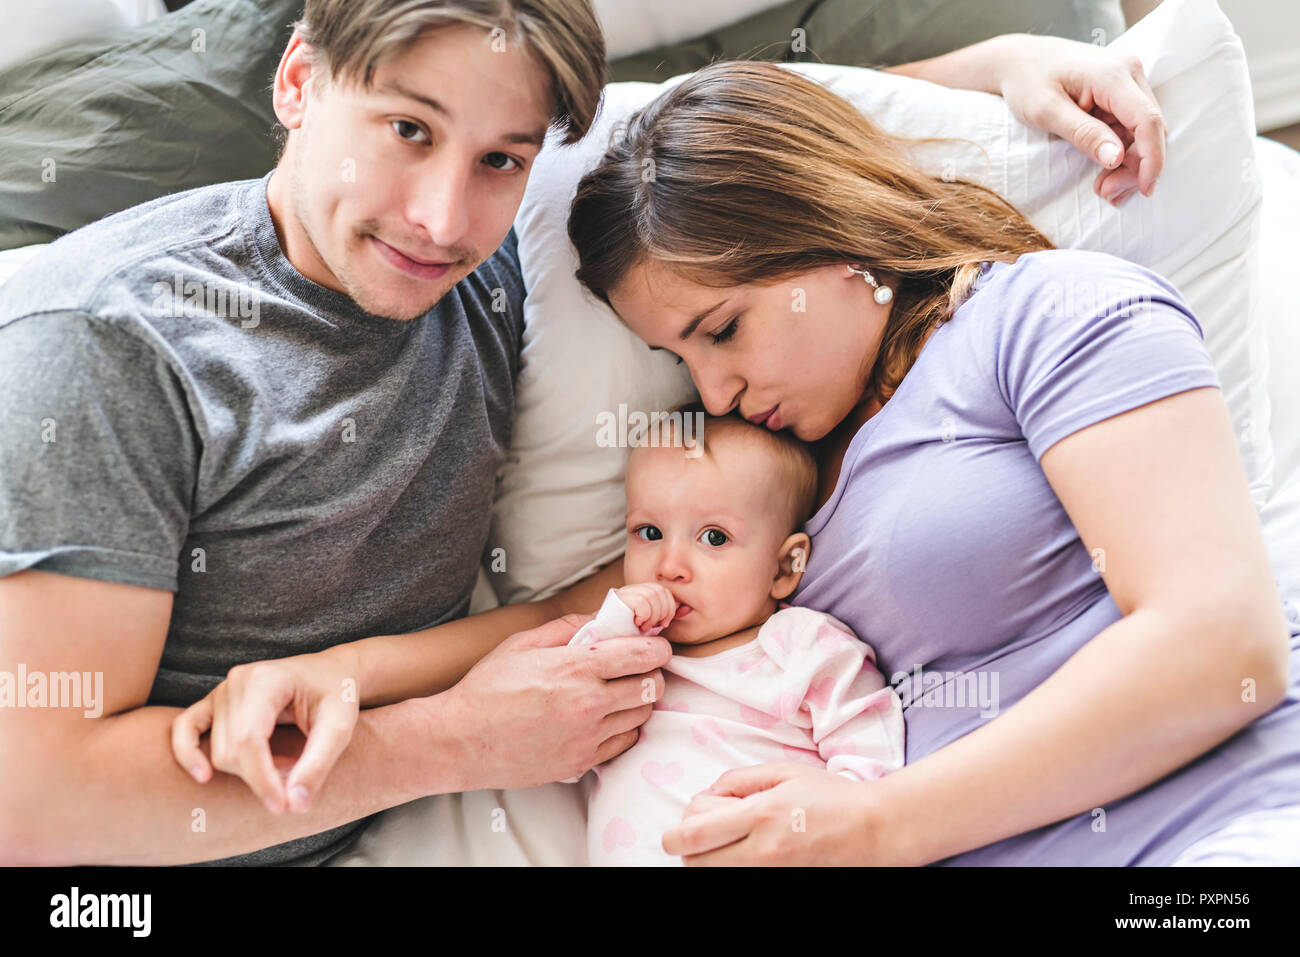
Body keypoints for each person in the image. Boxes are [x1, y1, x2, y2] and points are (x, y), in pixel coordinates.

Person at [0, 0, 1178, 866]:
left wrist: (1006, 64)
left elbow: (741, 135)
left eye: (499, 159)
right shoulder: (105, 344)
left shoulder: (509, 251)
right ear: (299, 83)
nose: (441, 218)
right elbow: (33, 804)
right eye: (406, 130)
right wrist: (458, 745)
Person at [563, 60, 1300, 865]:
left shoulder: (1045, 314)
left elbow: (1224, 645)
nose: (715, 391)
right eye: (678, 358)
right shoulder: (767, 488)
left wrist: (875, 824)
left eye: (723, 330)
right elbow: (584, 601)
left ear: (822, 222)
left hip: (1223, 834)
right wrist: (410, 704)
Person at [559, 408, 904, 865]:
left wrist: (836, 827)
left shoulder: (800, 647)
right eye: (649, 532)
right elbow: (562, 742)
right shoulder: (629, 656)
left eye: (714, 538)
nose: (669, 565)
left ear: (784, 568)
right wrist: (614, 625)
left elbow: (871, 752)